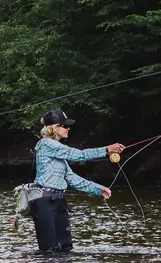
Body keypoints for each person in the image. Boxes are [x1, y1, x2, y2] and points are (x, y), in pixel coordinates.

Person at [30, 108, 125, 254]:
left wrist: (98, 189)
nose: (68, 128)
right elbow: (78, 155)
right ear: (55, 128)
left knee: (65, 249)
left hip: (59, 201)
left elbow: (72, 178)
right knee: (47, 252)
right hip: (44, 202)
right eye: (65, 126)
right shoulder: (47, 144)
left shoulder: (57, 151)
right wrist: (107, 150)